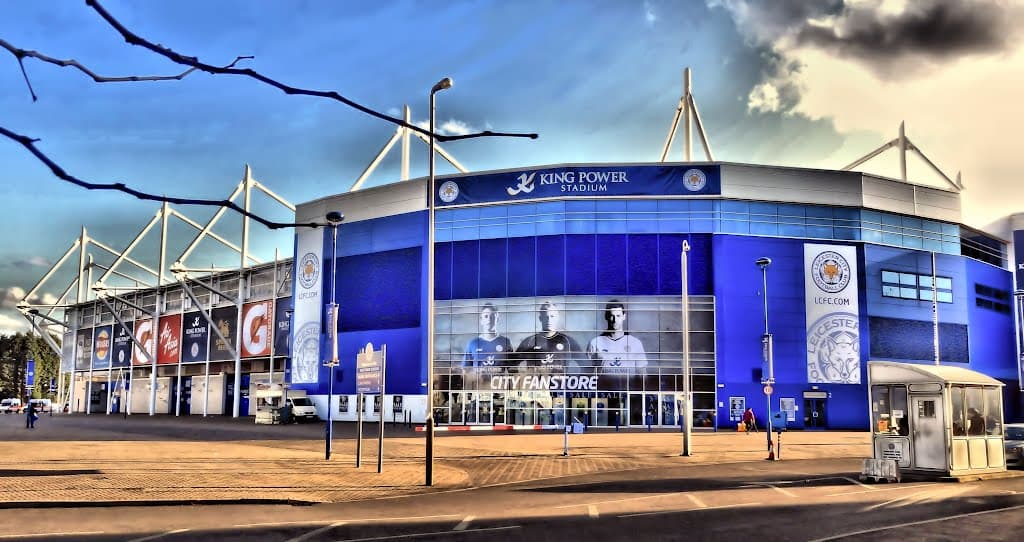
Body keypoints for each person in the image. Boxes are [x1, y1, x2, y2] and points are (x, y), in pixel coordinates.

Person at [514, 301, 583, 374]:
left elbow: (586, 365)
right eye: (546, 317)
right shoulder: (529, 341)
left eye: (552, 316)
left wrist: (574, 382)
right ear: (540, 318)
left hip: (559, 385)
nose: (549, 320)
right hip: (538, 385)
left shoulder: (567, 341)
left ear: (557, 318)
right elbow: (512, 365)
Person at [587, 300, 648, 375]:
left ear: (624, 316)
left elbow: (642, 374)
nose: (615, 320)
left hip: (628, 386)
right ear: (606, 317)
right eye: (612, 316)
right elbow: (589, 374)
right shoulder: (595, 343)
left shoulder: (635, 343)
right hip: (604, 386)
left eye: (618, 316)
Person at [462, 303, 514, 389]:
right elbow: (465, 370)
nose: (489, 320)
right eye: (486, 316)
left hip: (499, 392)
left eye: (492, 316)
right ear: (481, 320)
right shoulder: (473, 343)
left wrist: (512, 391)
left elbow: (512, 370)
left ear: (497, 319)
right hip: (479, 392)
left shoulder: (505, 342)